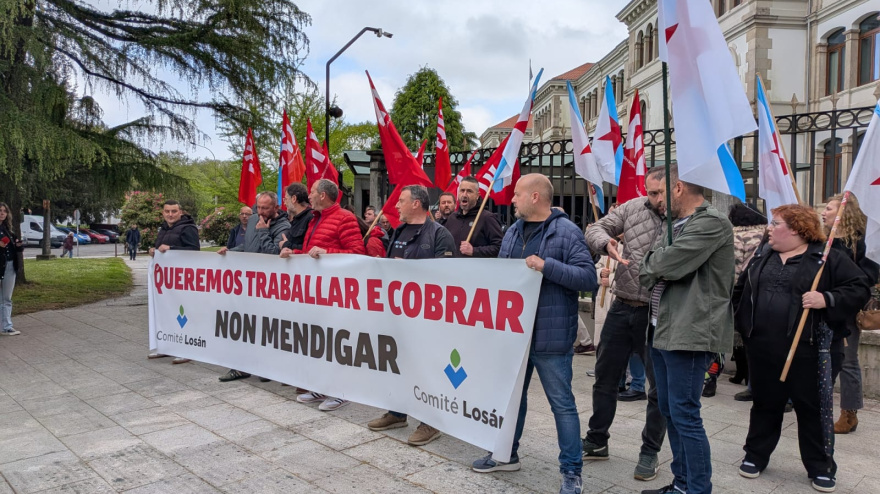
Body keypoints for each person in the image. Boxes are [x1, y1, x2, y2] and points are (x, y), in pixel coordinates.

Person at [471, 174, 597, 494]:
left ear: (536, 197)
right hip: (516, 336)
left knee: (562, 405)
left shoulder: (566, 232)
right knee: (512, 400)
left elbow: (587, 278)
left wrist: (546, 266)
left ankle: (571, 471)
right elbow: (502, 275)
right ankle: (506, 454)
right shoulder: (513, 231)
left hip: (550, 338)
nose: (511, 200)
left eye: (517, 195)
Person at [733, 204, 870, 493]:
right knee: (765, 403)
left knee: (812, 408)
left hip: (809, 350)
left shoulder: (827, 257)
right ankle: (755, 455)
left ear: (796, 229)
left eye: (776, 223)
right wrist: (742, 323)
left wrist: (827, 299)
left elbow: (859, 287)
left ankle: (820, 466)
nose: (770, 228)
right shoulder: (762, 254)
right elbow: (741, 290)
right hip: (763, 347)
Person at [638, 166, 734, 494]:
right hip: (663, 330)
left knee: (684, 414)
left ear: (678, 187)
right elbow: (652, 265)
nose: (655, 202)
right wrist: (655, 263)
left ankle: (697, 489)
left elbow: (664, 264)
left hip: (689, 333)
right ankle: (682, 484)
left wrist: (655, 263)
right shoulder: (677, 224)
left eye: (660, 193)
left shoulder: (711, 222)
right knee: (670, 411)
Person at [581, 167, 668, 482]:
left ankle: (650, 451)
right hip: (622, 306)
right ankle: (596, 439)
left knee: (658, 389)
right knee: (605, 379)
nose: (655, 198)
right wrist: (606, 244)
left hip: (658, 314)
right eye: (651, 192)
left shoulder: (686, 219)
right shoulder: (633, 207)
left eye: (660, 192)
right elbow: (595, 228)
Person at [367, 185, 455, 446]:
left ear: (416, 204)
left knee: (428, 368)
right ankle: (397, 412)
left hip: (428, 317)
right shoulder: (399, 231)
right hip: (399, 314)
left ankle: (431, 422)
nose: (396, 206)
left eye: (401, 201)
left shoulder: (440, 234)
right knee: (399, 363)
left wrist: (409, 271)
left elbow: (448, 276)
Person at [284, 179, 366, 411]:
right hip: (317, 292)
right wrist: (295, 253)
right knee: (320, 341)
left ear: (322, 196)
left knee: (338, 341)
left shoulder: (345, 218)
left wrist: (327, 252)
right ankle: (322, 386)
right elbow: (312, 252)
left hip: (337, 293)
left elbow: (357, 254)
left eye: (311, 192)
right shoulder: (314, 219)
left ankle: (343, 391)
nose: (307, 196)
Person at [217, 192, 290, 383]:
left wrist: (263, 232)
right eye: (258, 207)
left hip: (269, 287)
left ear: (276, 207)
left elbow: (273, 254)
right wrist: (231, 251)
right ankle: (240, 367)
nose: (261, 212)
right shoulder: (254, 220)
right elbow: (249, 247)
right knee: (244, 326)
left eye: (266, 208)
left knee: (267, 329)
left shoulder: (284, 226)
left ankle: (266, 367)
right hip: (249, 284)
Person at [822, 194, 879, 435]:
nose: (823, 212)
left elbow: (867, 276)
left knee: (847, 360)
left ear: (843, 214)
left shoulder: (860, 242)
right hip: (822, 305)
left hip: (846, 308)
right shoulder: (823, 239)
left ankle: (849, 413)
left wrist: (844, 284)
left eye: (829, 208)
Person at [148, 200, 200, 362]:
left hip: (184, 280)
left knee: (184, 314)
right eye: (167, 211)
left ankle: (187, 350)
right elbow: (161, 249)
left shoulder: (188, 228)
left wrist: (172, 249)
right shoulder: (164, 228)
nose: (170, 214)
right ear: (163, 213)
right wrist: (154, 251)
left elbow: (194, 250)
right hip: (166, 282)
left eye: (174, 211)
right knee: (167, 312)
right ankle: (166, 346)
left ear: (181, 212)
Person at [726, 203, 768, 400]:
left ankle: (744, 375)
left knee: (741, 335)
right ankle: (749, 378)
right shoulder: (767, 233)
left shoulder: (735, 236)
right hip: (763, 292)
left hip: (742, 291)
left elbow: (733, 268)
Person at [443, 176, 503, 258]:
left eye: (469, 191)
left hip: (476, 269)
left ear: (477, 195)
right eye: (462, 190)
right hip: (453, 268)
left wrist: (474, 251)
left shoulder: (487, 218)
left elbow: (500, 247)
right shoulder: (452, 218)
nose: (464, 194)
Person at [0, 202, 24, 336]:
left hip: (9, 265)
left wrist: (18, 246)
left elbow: (15, 246)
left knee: (6, 298)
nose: (2, 213)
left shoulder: (7, 229)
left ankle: (7, 326)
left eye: (4, 211)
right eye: (0, 210)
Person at [279, 183, 312, 252]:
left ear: (294, 199)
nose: (284, 203)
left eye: (286, 199)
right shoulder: (296, 219)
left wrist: (286, 245)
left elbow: (310, 247)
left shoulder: (311, 217)